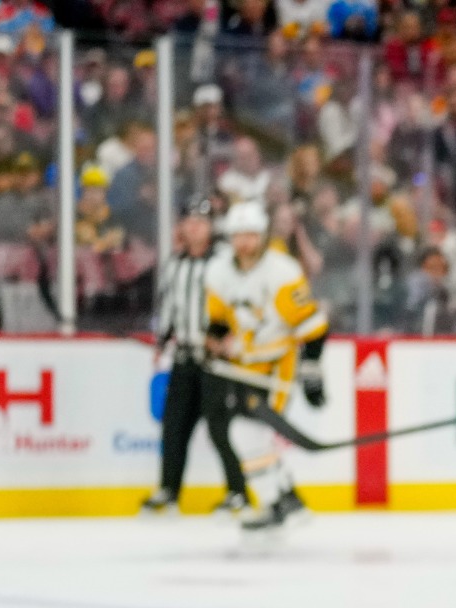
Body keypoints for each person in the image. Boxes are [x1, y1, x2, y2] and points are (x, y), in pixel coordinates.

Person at [202, 200, 329, 533]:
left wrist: (311, 371)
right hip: (243, 365)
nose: (244, 242)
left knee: (247, 433)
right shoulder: (218, 271)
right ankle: (286, 499)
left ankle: (277, 502)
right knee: (249, 436)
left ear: (262, 235)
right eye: (238, 235)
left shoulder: (282, 271)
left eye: (251, 235)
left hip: (276, 366)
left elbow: (314, 328)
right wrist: (214, 344)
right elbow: (219, 321)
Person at [141, 196, 249, 516]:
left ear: (211, 226)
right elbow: (169, 307)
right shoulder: (174, 264)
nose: (194, 228)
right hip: (184, 356)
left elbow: (238, 302)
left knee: (220, 428)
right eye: (189, 221)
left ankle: (238, 492)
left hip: (216, 361)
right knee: (174, 426)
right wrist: (161, 342)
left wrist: (229, 338)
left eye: (201, 222)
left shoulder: (225, 261)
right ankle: (169, 490)